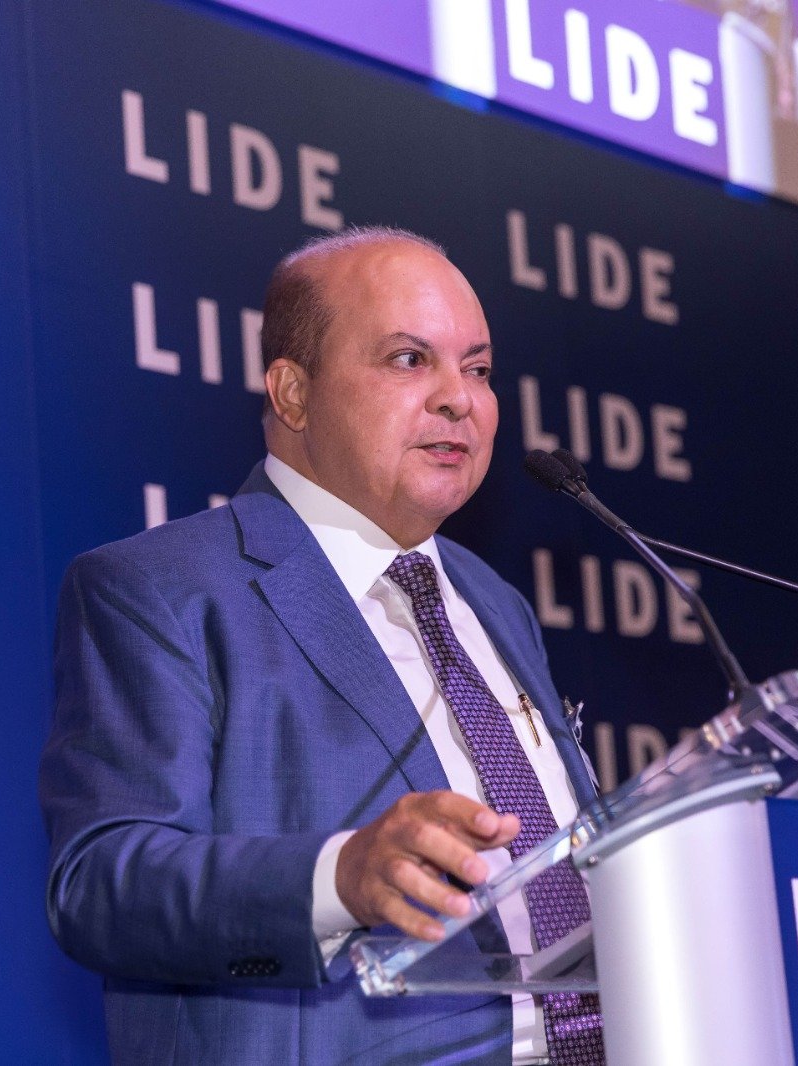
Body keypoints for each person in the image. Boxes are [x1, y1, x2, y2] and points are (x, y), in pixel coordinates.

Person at [40, 227, 603, 1064]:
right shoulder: (159, 589)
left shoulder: (495, 602)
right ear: (294, 393)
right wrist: (339, 877)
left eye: (479, 369)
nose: (460, 399)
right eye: (410, 359)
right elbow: (100, 886)